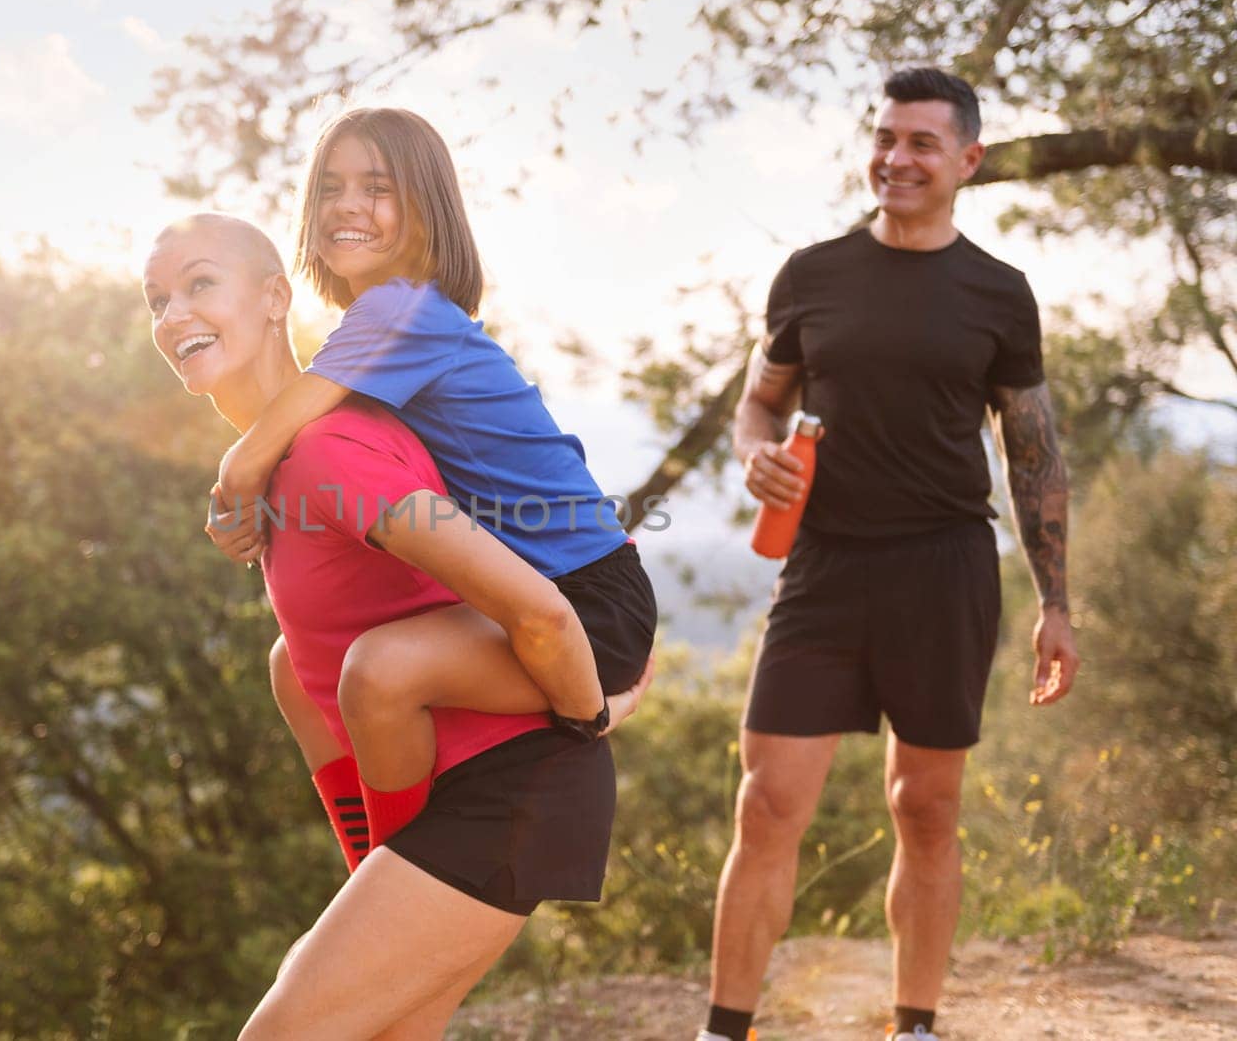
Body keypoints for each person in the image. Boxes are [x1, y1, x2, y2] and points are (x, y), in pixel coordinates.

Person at [145, 212, 651, 1038]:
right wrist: (371, 884)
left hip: (505, 797)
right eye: (157, 300)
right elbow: (332, 728)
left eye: (200, 284)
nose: (172, 316)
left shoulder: (329, 451)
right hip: (442, 827)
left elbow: (540, 603)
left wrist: (609, 697)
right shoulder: (276, 483)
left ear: (277, 297)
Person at [698, 68, 1080, 1041]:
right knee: (770, 800)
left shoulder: (999, 293)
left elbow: (1030, 450)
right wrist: (754, 455)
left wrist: (1056, 603)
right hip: (822, 566)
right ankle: (721, 1030)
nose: (895, 158)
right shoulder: (812, 273)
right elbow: (759, 400)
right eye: (884, 137)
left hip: (944, 567)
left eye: (919, 142)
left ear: (966, 159)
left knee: (924, 806)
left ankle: (912, 1023)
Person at [206, 107, 658, 845]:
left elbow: (251, 454)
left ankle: (397, 872)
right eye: (330, 187)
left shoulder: (401, 311)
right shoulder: (386, 323)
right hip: (544, 585)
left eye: (377, 187)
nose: (348, 204)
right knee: (296, 661)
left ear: (427, 210)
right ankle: (371, 860)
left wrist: (240, 511)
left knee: (379, 670)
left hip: (586, 604)